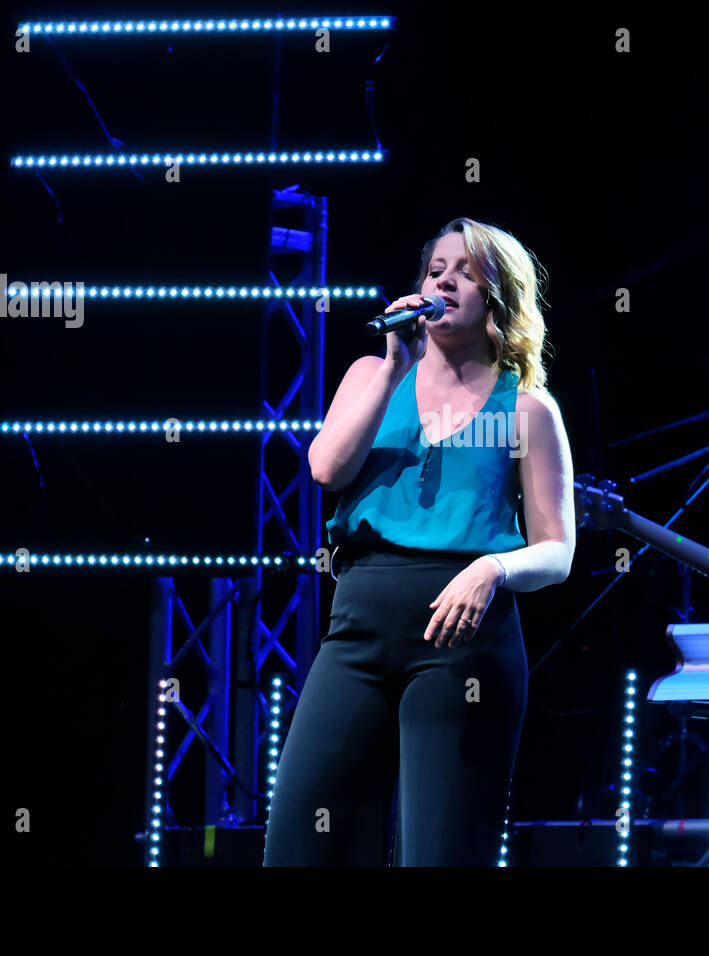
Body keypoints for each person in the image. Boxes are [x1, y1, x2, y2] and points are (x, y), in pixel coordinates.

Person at [262, 217, 575, 866]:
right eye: (436, 270)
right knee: (300, 836)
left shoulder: (526, 408)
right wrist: (390, 369)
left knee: (438, 852)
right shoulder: (369, 376)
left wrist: (493, 568)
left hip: (462, 638)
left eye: (466, 271)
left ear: (499, 294)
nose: (446, 281)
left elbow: (557, 550)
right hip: (359, 625)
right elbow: (326, 470)